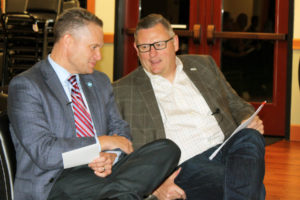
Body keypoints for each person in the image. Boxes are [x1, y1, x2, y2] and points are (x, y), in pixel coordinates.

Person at [7, 9, 180, 200]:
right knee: (119, 188)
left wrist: (111, 156)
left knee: (167, 149)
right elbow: (45, 153)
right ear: (68, 42)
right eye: (94, 47)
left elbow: (120, 130)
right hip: (57, 180)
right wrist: (102, 143)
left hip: (103, 174)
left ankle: (118, 194)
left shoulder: (99, 81)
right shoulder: (27, 85)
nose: (99, 56)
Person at [113, 14, 265, 200]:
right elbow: (118, 152)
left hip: (225, 148)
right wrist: (154, 186)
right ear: (136, 49)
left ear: (175, 43)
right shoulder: (122, 91)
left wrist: (247, 119)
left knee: (250, 137)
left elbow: (236, 103)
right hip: (185, 166)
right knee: (241, 178)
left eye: (159, 44)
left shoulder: (203, 65)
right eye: (145, 47)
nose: (152, 54)